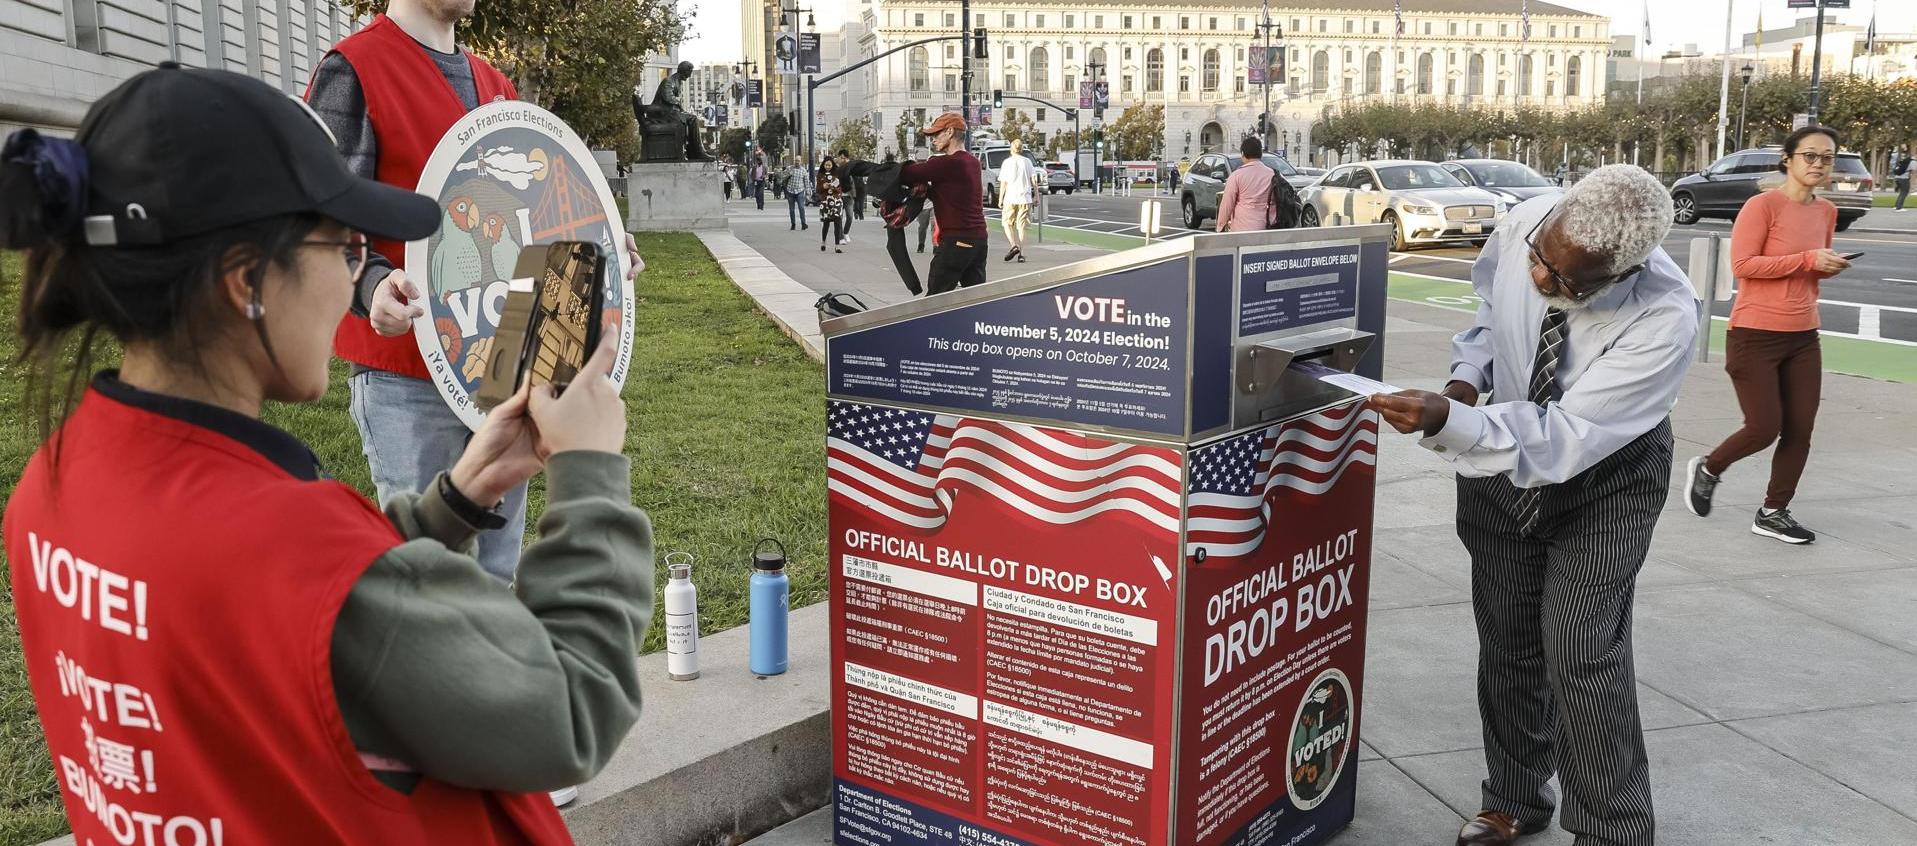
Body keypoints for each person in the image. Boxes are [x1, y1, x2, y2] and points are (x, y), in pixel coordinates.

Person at [0, 65, 652, 843]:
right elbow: (572, 712)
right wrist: (590, 480)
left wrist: (456, 500)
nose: (353, 278)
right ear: (246, 281)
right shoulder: (289, 550)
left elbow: (275, 637)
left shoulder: (52, 486)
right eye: (344, 248)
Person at [1367, 165, 1697, 846]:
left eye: (1570, 280)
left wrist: (1444, 424)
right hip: (1498, 451)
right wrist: (1463, 381)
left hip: (1604, 478)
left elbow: (1563, 441)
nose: (1544, 279)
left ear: (1622, 273)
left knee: (1580, 651)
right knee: (1508, 640)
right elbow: (1490, 311)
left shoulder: (1664, 314)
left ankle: (1611, 829)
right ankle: (1514, 797)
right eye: (1541, 259)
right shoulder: (1531, 224)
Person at [1685, 125, 1851, 545]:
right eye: (1810, 155)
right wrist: (1807, 258)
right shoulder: (1762, 206)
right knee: (1763, 427)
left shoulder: (1826, 211)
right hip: (1755, 333)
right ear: (1788, 159)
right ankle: (1709, 467)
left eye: (1826, 158)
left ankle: (1773, 511)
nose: (1818, 164)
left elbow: (1808, 269)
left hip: (1803, 335)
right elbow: (1744, 266)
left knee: (1800, 429)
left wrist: (1825, 265)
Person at [900, 112, 988, 294]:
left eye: (936, 134)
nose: (933, 140)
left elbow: (908, 174)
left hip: (957, 241)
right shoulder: (972, 162)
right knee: (976, 299)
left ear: (949, 132)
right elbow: (951, 195)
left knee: (936, 301)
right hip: (978, 241)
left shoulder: (950, 163)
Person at [1215, 136, 1274, 233]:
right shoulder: (1272, 174)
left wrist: (1220, 226)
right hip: (1267, 227)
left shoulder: (1236, 176)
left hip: (1242, 228)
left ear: (1242, 154)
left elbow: (1227, 204)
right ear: (1261, 154)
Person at [996, 139, 1040, 263]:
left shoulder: (1007, 162)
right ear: (1021, 149)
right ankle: (1021, 254)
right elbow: (1034, 181)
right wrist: (1036, 196)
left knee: (1007, 223)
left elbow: (1004, 182)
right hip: (1025, 198)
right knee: (1021, 227)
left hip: (1010, 197)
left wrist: (1000, 199)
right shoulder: (1027, 162)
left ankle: (1013, 245)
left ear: (1011, 149)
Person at [817, 156, 846, 253]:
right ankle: (823, 242)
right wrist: (823, 186)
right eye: (826, 165)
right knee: (826, 223)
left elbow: (841, 189)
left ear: (833, 165)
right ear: (823, 165)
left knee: (838, 223)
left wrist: (834, 187)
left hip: (836, 201)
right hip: (825, 201)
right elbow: (818, 190)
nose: (828, 167)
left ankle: (837, 245)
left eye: (829, 165)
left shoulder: (837, 174)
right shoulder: (820, 175)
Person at [782, 156, 809, 231]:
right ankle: (793, 224)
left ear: (801, 162)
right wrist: (788, 174)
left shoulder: (803, 170)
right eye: (796, 160)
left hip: (800, 191)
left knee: (801, 207)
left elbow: (806, 182)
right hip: (790, 191)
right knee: (791, 209)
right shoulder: (789, 168)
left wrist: (808, 193)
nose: (797, 162)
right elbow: (782, 177)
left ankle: (803, 223)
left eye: (798, 161)